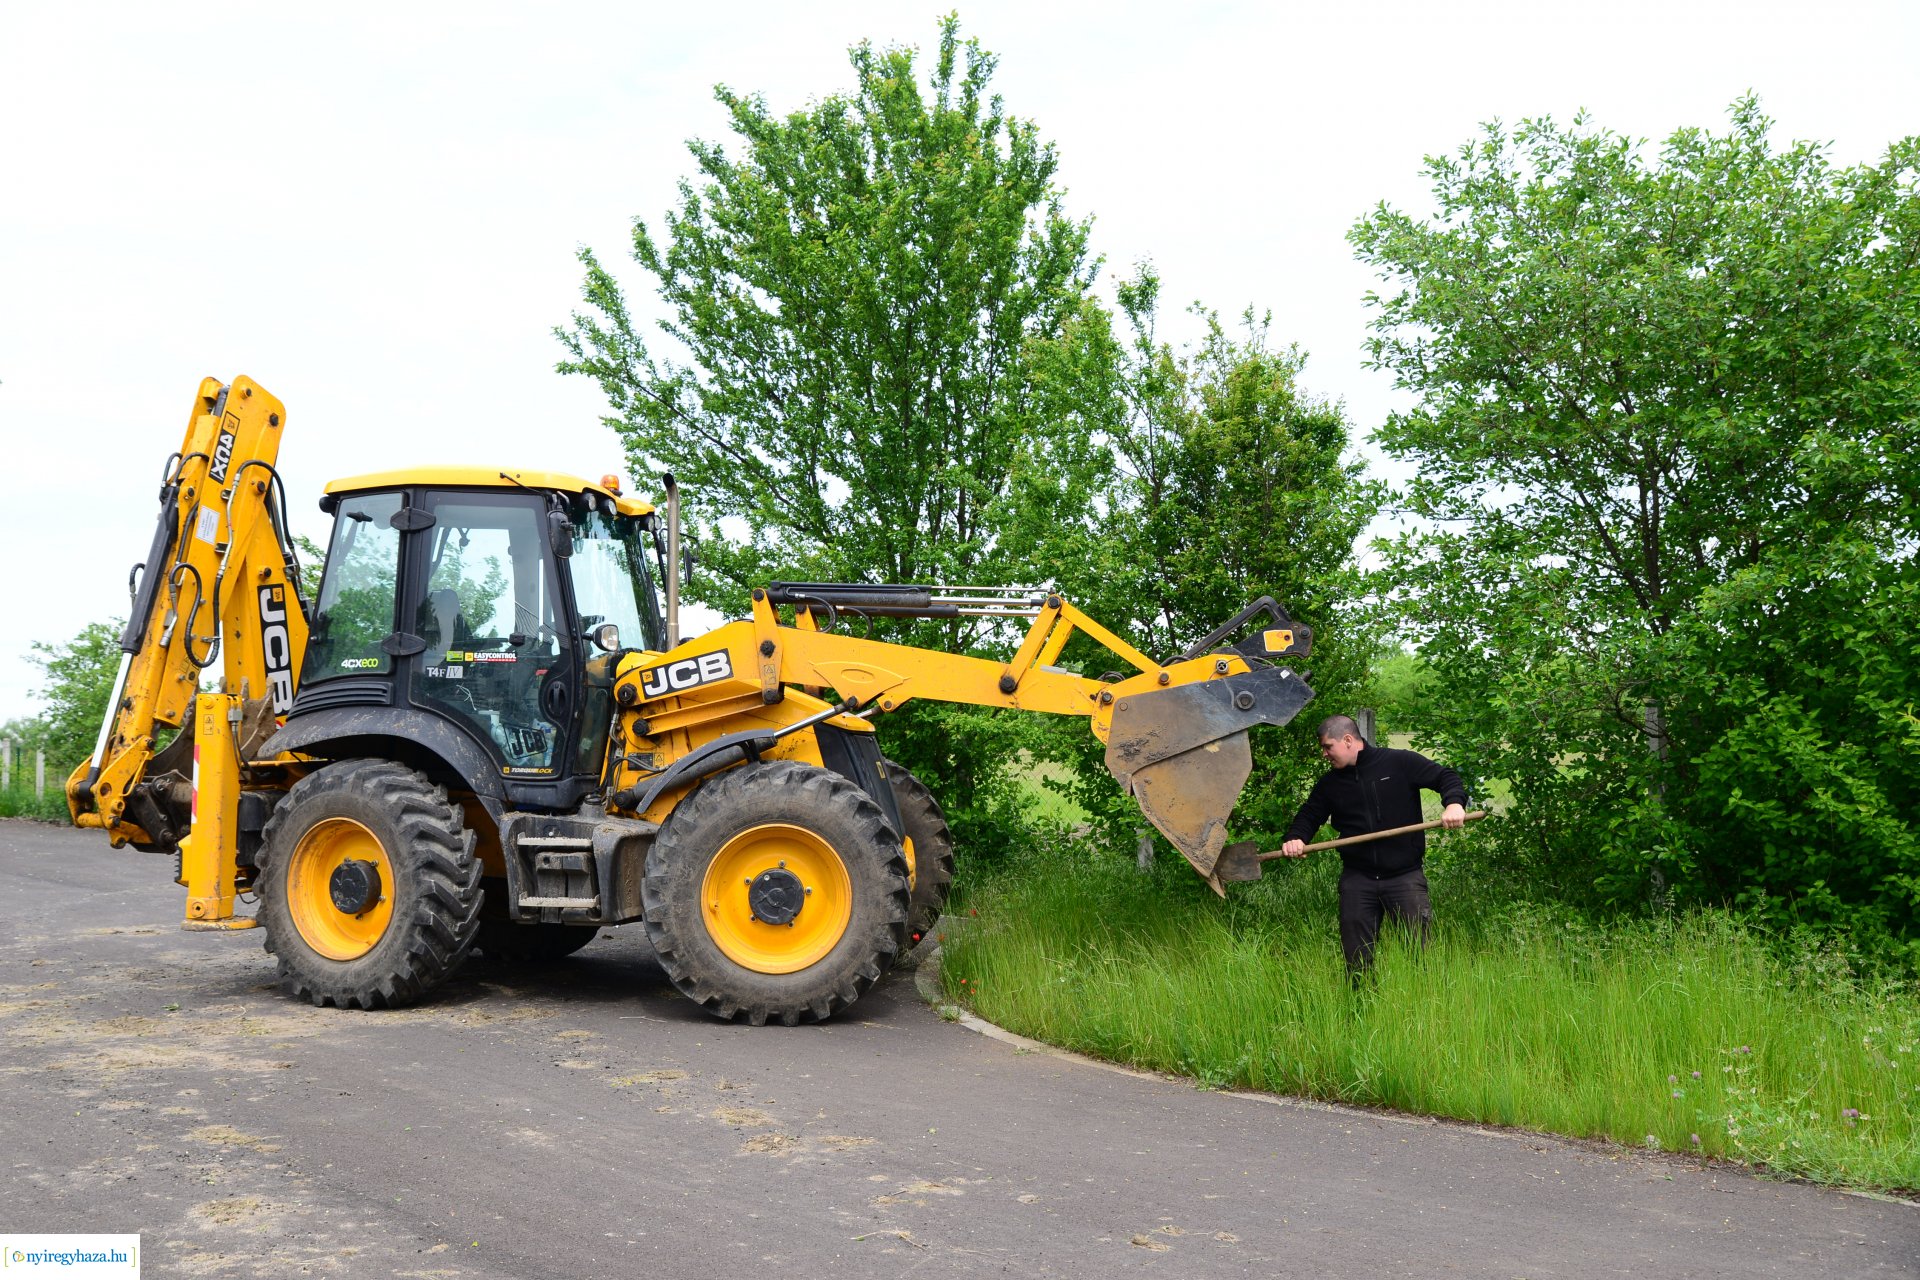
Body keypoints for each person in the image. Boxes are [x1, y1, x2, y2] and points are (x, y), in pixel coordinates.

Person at [1279, 714, 1468, 978]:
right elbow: (1309, 816)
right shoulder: (1330, 784)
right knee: (1357, 963)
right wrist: (1295, 839)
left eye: (1327, 746)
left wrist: (1454, 804)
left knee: (1420, 956)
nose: (1324, 754)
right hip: (1358, 881)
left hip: (1405, 878)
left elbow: (1445, 777)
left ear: (1347, 740)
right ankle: (1361, 1011)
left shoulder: (1399, 763)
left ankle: (1428, 1010)